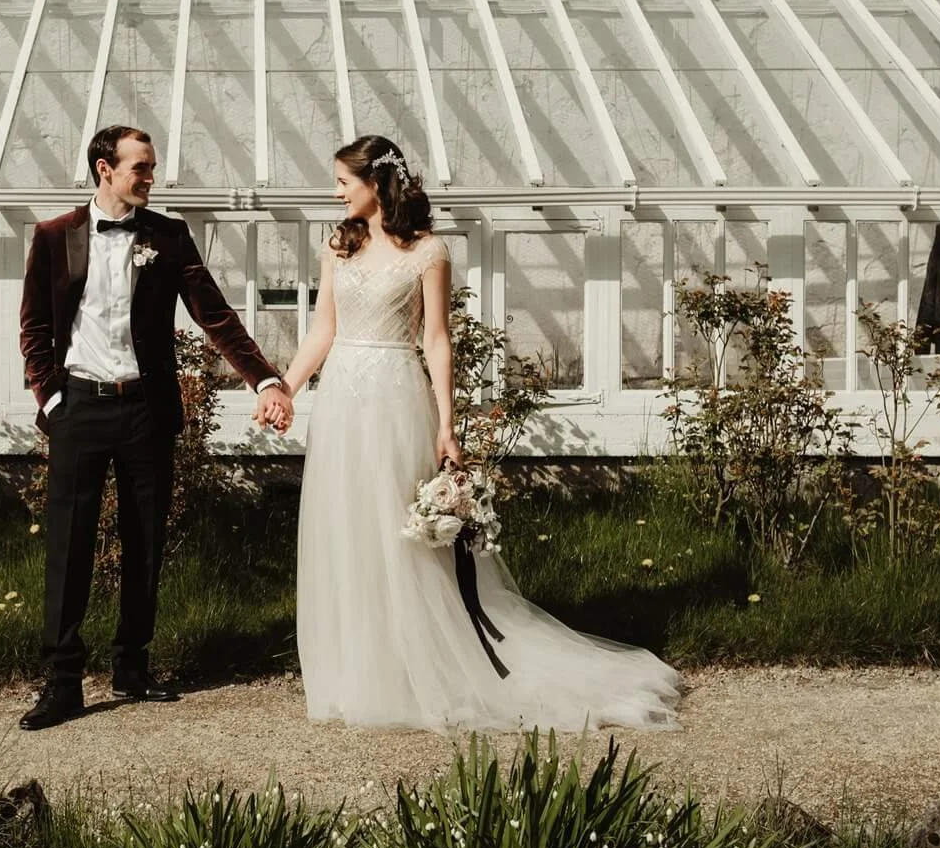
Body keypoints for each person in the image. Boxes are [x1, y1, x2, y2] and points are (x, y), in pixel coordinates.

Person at [282, 134, 681, 732]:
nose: (335, 192)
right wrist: (284, 388)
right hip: (341, 399)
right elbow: (321, 329)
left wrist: (446, 425)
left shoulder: (428, 252)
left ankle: (419, 665)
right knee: (348, 528)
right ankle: (359, 670)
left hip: (395, 397)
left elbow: (435, 340)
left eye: (343, 181)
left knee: (400, 535)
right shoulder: (338, 246)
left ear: (375, 183)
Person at [18, 124, 295, 731]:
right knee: (69, 547)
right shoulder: (53, 236)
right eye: (140, 167)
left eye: (151, 167)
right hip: (80, 409)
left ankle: (132, 667)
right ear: (104, 170)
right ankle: (62, 682)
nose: (151, 177)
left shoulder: (168, 237)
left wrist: (266, 381)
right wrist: (54, 401)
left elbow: (214, 316)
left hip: (147, 409)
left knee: (145, 539)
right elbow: (35, 332)